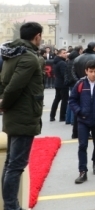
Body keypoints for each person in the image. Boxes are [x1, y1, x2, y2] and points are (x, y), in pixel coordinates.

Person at [0, 22, 45, 210]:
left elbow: (5, 84)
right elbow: (14, 87)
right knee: (16, 165)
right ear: (37, 36)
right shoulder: (28, 58)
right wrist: (3, 105)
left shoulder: (12, 54)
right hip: (23, 115)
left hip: (15, 114)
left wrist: (4, 105)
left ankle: (10, 204)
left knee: (11, 163)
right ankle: (12, 206)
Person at [50, 48, 69, 122]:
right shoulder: (62, 63)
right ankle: (62, 116)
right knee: (64, 100)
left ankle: (52, 115)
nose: (65, 54)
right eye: (64, 53)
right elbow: (64, 74)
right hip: (63, 84)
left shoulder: (56, 61)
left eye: (66, 52)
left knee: (57, 99)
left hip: (57, 83)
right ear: (59, 54)